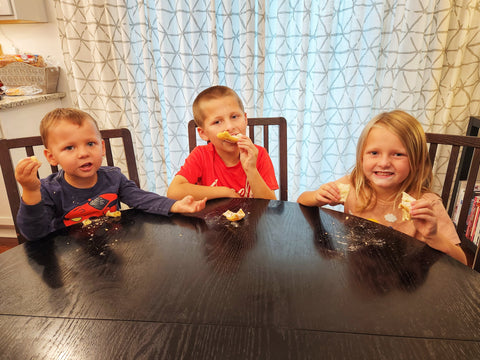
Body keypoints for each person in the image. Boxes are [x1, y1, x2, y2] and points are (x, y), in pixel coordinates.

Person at [297, 110, 468, 265]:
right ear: (362, 158)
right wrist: (318, 196)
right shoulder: (353, 184)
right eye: (374, 153)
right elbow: (302, 200)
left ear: (416, 162)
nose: (384, 163)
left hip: (404, 278)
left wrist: (434, 236)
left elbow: (462, 261)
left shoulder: (426, 203)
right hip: (358, 269)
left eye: (398, 154)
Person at [15, 108, 206, 241]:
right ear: (51, 157)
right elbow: (34, 234)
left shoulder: (113, 178)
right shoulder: (50, 190)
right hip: (70, 261)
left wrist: (174, 205)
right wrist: (31, 191)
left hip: (114, 248)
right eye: (69, 147)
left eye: (90, 143)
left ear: (102, 147)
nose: (83, 153)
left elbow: (141, 199)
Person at [167, 85, 278, 200]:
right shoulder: (201, 155)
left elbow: (270, 204)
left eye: (234, 116)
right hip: (211, 217)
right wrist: (224, 192)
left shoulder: (258, 154)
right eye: (217, 122)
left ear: (245, 119)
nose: (229, 127)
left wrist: (251, 169)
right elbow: (174, 191)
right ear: (203, 133)